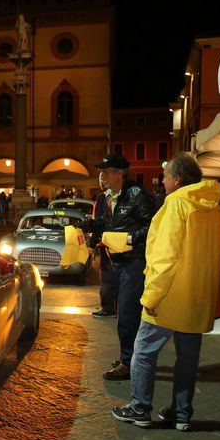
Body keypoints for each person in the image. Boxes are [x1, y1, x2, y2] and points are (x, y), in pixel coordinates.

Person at [111, 153, 220, 431]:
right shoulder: (214, 208)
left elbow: (166, 255)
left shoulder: (176, 205)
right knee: (187, 357)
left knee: (143, 351)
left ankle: (140, 406)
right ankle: (182, 412)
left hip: (170, 295)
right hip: (197, 295)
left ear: (177, 179)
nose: (162, 181)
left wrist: (151, 296)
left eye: (165, 176)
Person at [85, 153, 157, 380]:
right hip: (116, 261)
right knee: (122, 313)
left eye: (106, 172)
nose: (102, 176)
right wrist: (87, 224)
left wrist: (129, 239)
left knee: (127, 314)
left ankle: (129, 362)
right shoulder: (109, 196)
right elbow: (106, 223)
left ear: (119, 173)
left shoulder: (138, 194)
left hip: (134, 262)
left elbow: (151, 226)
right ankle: (130, 356)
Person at [90, 173, 116, 318]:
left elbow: (99, 222)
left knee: (106, 276)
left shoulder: (102, 198)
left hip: (106, 242)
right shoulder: (121, 196)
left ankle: (107, 307)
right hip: (120, 242)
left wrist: (93, 243)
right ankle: (117, 305)